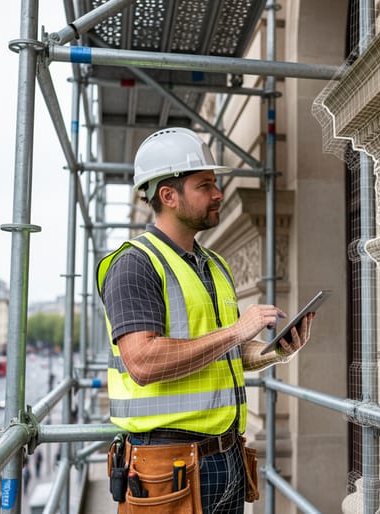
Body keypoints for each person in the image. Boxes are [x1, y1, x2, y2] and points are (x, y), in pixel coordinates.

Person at [97, 127, 315, 513]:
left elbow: (222, 352)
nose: (219, 194)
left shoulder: (213, 265)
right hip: (167, 464)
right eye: (205, 185)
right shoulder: (134, 264)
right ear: (168, 196)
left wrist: (272, 352)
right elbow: (143, 362)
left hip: (226, 455)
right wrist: (236, 330)